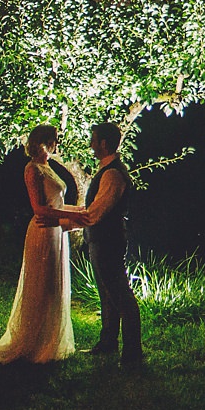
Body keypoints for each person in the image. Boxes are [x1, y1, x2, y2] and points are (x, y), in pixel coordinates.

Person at [38, 121, 142, 367]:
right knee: (106, 293)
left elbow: (95, 213)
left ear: (104, 144)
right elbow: (90, 210)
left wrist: (59, 222)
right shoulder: (106, 170)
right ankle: (108, 342)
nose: (91, 144)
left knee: (119, 293)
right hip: (100, 239)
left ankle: (132, 353)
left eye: (94, 140)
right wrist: (63, 215)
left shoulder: (113, 174)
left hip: (108, 240)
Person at [0, 125, 76, 364]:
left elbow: (56, 204)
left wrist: (79, 213)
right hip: (43, 231)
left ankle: (50, 341)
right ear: (45, 142)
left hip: (56, 230)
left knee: (53, 286)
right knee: (41, 284)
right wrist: (73, 217)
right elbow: (39, 209)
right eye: (54, 140)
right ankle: (33, 342)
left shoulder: (47, 166)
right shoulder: (32, 169)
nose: (57, 144)